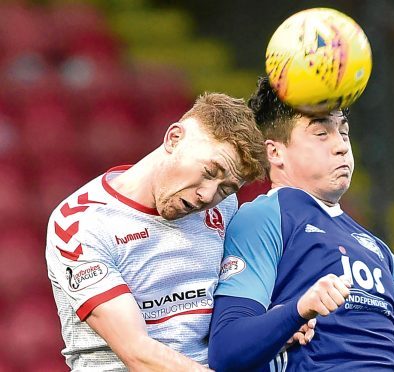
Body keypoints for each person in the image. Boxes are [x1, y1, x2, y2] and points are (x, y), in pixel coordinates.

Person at [208, 77, 394, 371]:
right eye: (321, 133)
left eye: (344, 132)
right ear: (275, 152)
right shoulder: (265, 217)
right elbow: (226, 351)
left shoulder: (380, 251)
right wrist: (299, 310)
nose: (341, 145)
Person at [45, 92, 269, 370]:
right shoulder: (81, 223)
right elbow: (137, 353)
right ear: (174, 138)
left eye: (226, 188)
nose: (207, 195)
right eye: (210, 172)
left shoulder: (224, 208)